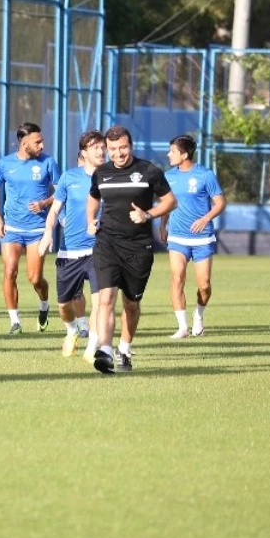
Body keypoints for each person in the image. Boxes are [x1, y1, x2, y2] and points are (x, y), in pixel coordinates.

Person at [87, 125, 176, 373]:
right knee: (105, 298)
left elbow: (170, 201)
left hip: (138, 247)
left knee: (131, 303)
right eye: (113, 149)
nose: (118, 153)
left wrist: (147, 214)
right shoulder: (101, 172)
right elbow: (93, 196)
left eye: (123, 147)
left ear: (131, 146)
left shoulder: (149, 171)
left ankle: (124, 347)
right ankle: (105, 349)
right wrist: (90, 220)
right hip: (107, 243)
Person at [0, 123, 59, 335]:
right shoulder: (5, 164)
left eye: (42, 141)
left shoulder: (48, 163)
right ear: (24, 143)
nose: (42, 145)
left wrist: (44, 203)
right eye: (37, 142)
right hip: (12, 228)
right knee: (9, 271)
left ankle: (44, 305)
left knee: (35, 278)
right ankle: (15, 321)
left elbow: (61, 192)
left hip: (37, 230)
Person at [38, 130, 103, 358]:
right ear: (84, 153)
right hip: (69, 252)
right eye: (95, 147)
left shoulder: (111, 177)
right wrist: (48, 234)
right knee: (64, 306)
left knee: (100, 303)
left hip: (99, 250)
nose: (101, 150)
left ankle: (92, 346)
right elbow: (55, 210)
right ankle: (72, 330)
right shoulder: (69, 177)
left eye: (102, 146)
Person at [160, 135, 225, 339]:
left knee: (204, 285)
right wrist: (162, 225)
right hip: (177, 236)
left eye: (172, 151)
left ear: (185, 154)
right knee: (177, 277)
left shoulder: (205, 175)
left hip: (202, 238)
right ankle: (182, 327)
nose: (168, 154)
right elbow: (166, 203)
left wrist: (205, 219)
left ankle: (199, 315)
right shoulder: (168, 176)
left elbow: (220, 203)